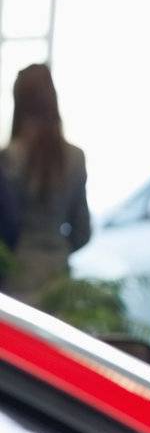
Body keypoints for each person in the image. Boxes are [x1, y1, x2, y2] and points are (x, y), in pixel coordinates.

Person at [0, 64, 91, 305]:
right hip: (59, 281)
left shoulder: (9, 158)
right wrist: (56, 249)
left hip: (16, 277)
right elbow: (83, 231)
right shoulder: (75, 157)